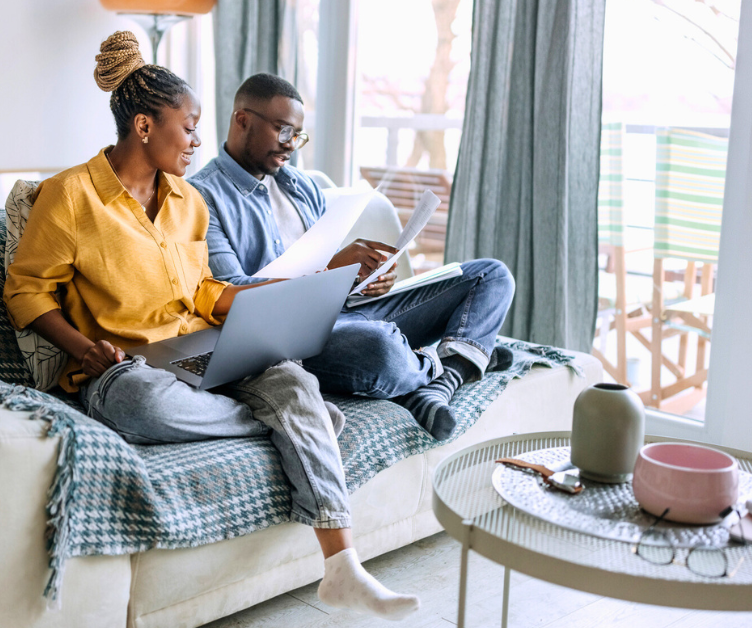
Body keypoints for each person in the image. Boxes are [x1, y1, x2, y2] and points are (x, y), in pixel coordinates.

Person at [3, 32, 419, 621]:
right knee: (144, 406)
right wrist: (83, 348)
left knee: (292, 378)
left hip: (203, 344)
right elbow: (25, 291)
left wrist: (258, 302)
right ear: (144, 127)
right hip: (125, 367)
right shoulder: (70, 196)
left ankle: (342, 566)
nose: (199, 140)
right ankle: (296, 427)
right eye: (190, 126)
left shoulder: (186, 202)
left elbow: (199, 290)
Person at [188, 73, 515, 440]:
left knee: (491, 275)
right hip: (288, 339)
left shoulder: (302, 185)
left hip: (346, 314)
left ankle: (439, 380)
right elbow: (229, 294)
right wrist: (329, 271)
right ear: (242, 119)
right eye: (283, 131)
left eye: (298, 135)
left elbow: (331, 276)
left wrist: (362, 280)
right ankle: (460, 360)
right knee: (381, 348)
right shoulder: (201, 198)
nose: (291, 145)